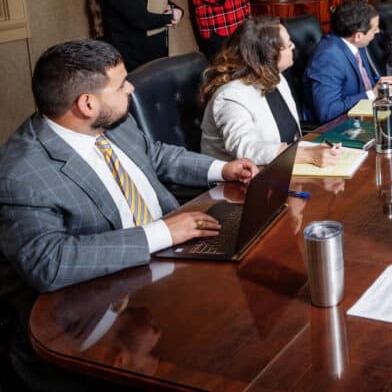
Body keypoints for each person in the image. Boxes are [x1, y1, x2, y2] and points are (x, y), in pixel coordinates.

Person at [0, 39, 257, 293]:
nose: (131, 89)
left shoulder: (112, 121)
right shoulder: (20, 173)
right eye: (121, 84)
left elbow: (155, 155)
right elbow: (47, 261)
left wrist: (222, 169)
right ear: (87, 104)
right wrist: (160, 234)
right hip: (115, 290)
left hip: (177, 252)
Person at [200, 16, 344, 167]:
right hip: (238, 184)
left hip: (282, 169)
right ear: (268, 56)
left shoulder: (277, 78)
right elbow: (247, 149)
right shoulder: (230, 96)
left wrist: (315, 150)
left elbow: (291, 138)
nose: (293, 47)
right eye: (288, 45)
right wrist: (307, 155)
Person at [304, 0, 392, 124]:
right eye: (374, 28)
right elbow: (327, 112)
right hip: (340, 127)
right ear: (358, 36)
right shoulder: (328, 58)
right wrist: (372, 94)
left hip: (365, 115)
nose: (378, 31)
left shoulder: (356, 44)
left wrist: (379, 84)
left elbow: (361, 83)